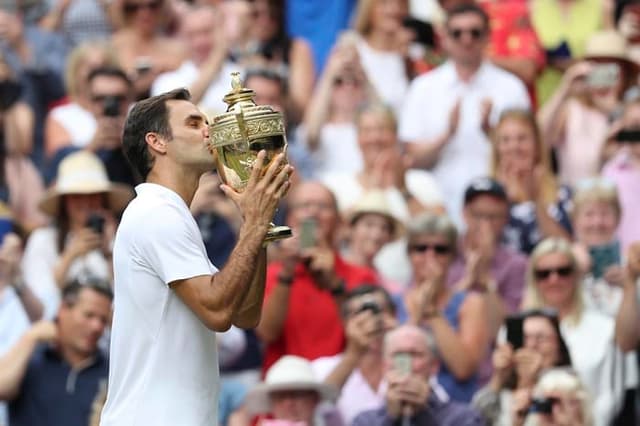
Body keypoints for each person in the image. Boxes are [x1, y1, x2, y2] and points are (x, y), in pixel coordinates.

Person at [99, 88, 293, 425]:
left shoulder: (171, 213)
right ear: (157, 142)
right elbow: (217, 311)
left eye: (208, 121)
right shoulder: (155, 211)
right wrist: (255, 225)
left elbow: (244, 314)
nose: (210, 130)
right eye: (194, 123)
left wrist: (255, 224)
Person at [399, 3, 530, 226]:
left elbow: (528, 155)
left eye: (474, 33)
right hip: (439, 209)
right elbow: (411, 157)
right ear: (444, 38)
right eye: (457, 33)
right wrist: (446, 135)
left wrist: (492, 133)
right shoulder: (423, 88)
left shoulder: (511, 88)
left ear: (487, 36)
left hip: (498, 209)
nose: (466, 40)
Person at [255, 181, 378, 372]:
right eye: (304, 206)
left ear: (338, 221)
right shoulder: (272, 273)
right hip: (286, 388)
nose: (313, 213)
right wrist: (287, 273)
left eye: (323, 206)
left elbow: (367, 336)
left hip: (342, 385)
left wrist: (334, 283)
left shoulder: (362, 276)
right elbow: (267, 334)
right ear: (290, 218)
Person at [522, 237, 638, 426]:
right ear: (533, 279)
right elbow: (507, 398)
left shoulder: (604, 328)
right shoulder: (517, 328)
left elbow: (612, 398)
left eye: (563, 271)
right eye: (544, 273)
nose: (554, 279)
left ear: (576, 275)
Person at [21, 150, 132, 320]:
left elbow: (127, 301)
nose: (86, 203)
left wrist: (109, 254)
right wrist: (70, 256)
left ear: (103, 199)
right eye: (77, 196)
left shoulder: (119, 242)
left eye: (93, 196)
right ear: (64, 201)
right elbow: (39, 305)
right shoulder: (43, 240)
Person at [400, 212, 491, 402]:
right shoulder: (393, 302)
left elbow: (463, 368)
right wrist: (417, 314)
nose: (430, 256)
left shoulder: (470, 303)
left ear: (452, 256)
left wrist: (432, 311)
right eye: (421, 248)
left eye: (440, 249)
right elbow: (399, 365)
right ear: (409, 254)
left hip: (455, 409)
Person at [0, 281, 112, 426]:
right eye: (89, 315)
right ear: (63, 309)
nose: (97, 326)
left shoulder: (110, 371)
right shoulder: (33, 359)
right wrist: (29, 337)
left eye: (103, 320)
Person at [352, 324, 485, 426]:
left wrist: (424, 414)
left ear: (434, 365)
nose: (406, 364)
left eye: (415, 354)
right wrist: (391, 418)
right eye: (398, 355)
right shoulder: (365, 421)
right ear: (384, 366)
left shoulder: (463, 418)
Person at [312, 284, 399, 424]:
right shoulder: (321, 367)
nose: (372, 320)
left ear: (394, 316)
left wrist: (403, 340)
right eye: (361, 312)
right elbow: (315, 410)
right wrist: (354, 353)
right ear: (345, 323)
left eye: (379, 311)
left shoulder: (411, 362)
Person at [490, 109, 572, 254]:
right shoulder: (484, 194)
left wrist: (537, 201)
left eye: (522, 138)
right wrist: (501, 199)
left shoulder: (562, 193)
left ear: (537, 144)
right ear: (497, 148)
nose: (514, 147)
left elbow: (567, 251)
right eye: (505, 140)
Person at [471, 309, 573, 425]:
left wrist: (529, 382)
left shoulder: (570, 388)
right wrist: (499, 377)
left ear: (559, 346)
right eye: (525, 338)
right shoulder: (504, 393)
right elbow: (475, 419)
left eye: (541, 338)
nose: (532, 345)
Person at [150, 4, 241, 116]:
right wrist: (217, 58)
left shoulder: (241, 75)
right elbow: (178, 114)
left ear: (222, 33)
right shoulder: (166, 81)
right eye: (192, 35)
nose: (200, 42)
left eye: (206, 32)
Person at [243, 355, 340, 426]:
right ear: (271, 403)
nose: (288, 402)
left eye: (297, 394)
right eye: (280, 396)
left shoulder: (333, 421)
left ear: (315, 398)